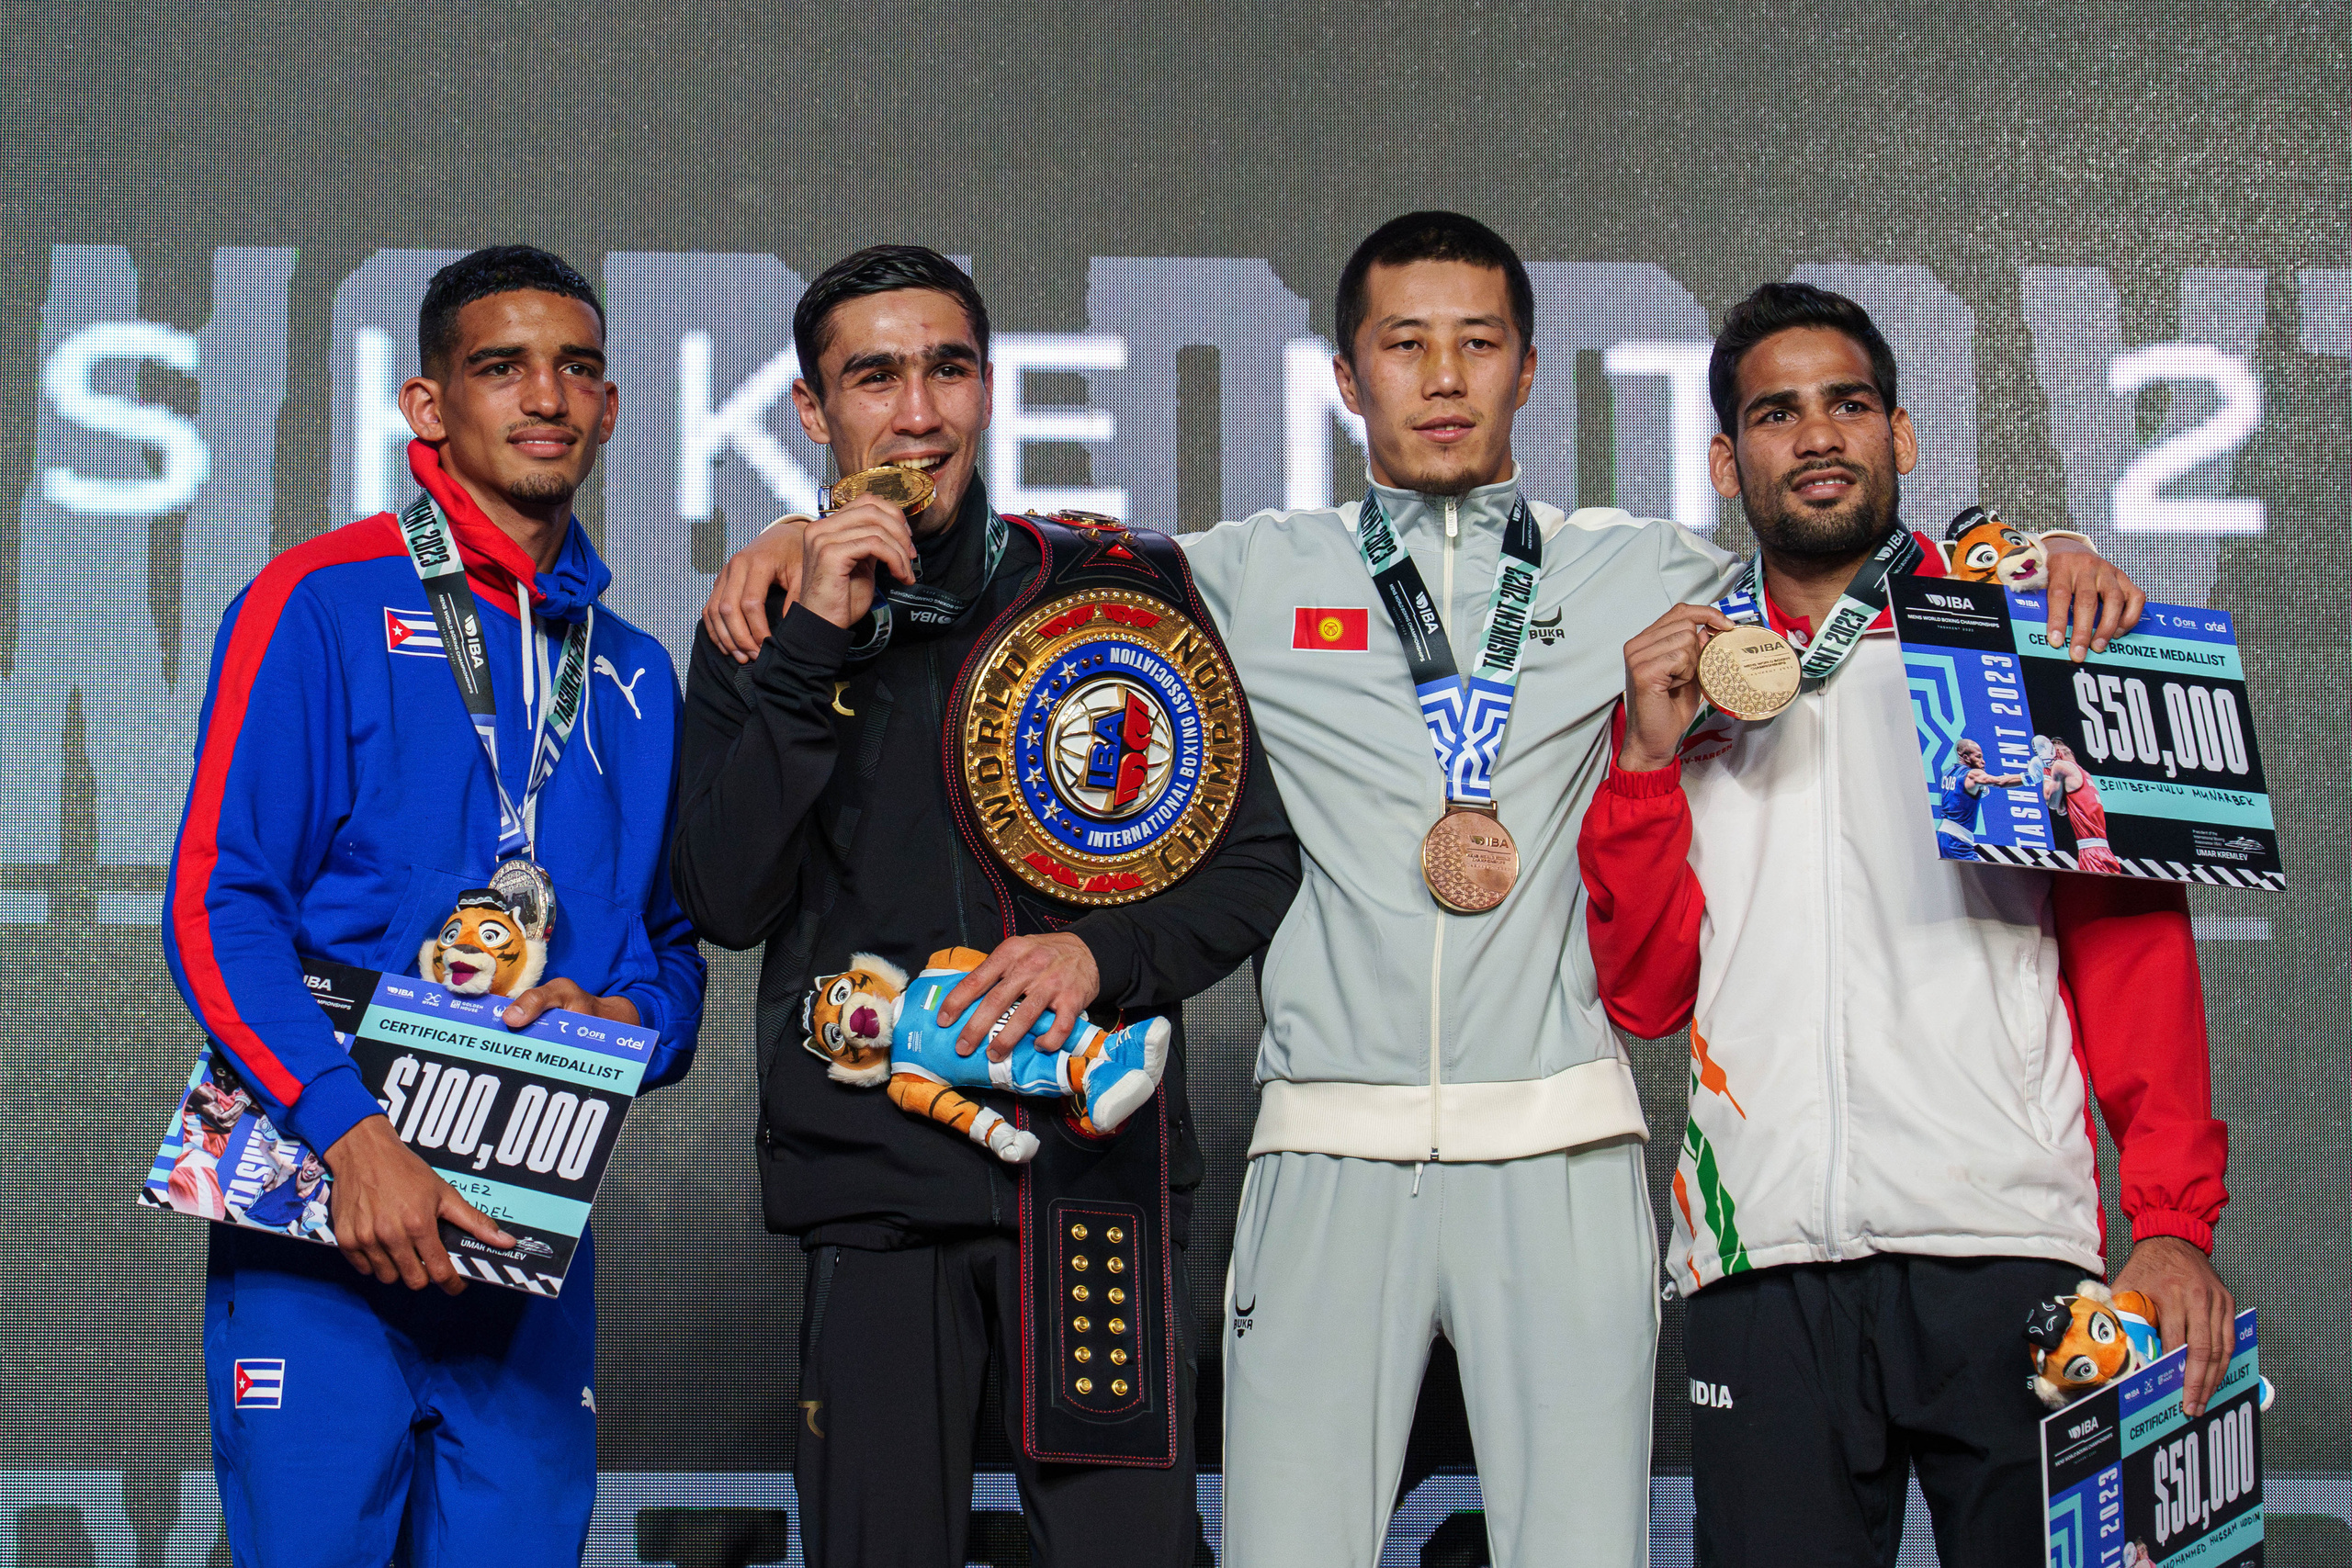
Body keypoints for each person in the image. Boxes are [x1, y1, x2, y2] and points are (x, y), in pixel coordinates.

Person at [1579, 281, 2231, 1568]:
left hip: (2009, 1244)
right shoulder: (1684, 680)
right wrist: (1644, 765)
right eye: (1777, 413)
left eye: (1850, 404)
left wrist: (2170, 1221)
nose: (1818, 435)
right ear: (1727, 460)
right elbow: (1647, 994)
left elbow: (2133, 957)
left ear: (1902, 435)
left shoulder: (2030, 631)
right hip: (1759, 1261)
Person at [669, 244, 1298, 1566]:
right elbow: (724, 896)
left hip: (1090, 1179)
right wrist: (813, 638)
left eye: (947, 370)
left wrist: (1101, 953)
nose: (918, 411)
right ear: (811, 408)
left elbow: (1253, 862)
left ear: (989, 388)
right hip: (874, 1183)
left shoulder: (1114, 589)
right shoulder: (764, 619)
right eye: (874, 377)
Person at [163, 244, 705, 1566]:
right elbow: (218, 905)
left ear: (611, 407)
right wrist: (351, 1133)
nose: (546, 397)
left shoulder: (636, 674)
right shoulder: (319, 600)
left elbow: (671, 956)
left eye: (576, 369)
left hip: (524, 1241)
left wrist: (626, 1019)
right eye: (500, 366)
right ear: (428, 404)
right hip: (322, 1215)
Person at [1935, 736, 2025, 860]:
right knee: (1981, 872)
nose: (1983, 762)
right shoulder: (1973, 774)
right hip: (1958, 841)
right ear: (1966, 757)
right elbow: (2000, 782)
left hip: (1942, 836)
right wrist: (2030, 777)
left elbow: (1958, 796)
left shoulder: (1947, 773)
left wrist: (1979, 789)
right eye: (1978, 757)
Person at [2043, 738, 2126, 873]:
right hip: (2099, 850)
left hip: (2092, 854)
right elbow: (2062, 809)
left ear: (2056, 754)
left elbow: (2051, 803)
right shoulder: (2084, 774)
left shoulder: (2060, 766)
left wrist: (2046, 772)